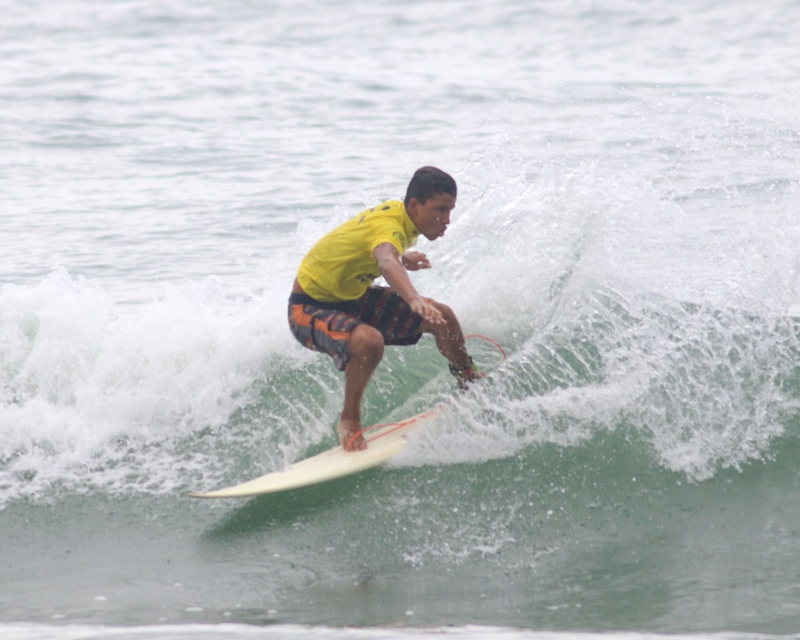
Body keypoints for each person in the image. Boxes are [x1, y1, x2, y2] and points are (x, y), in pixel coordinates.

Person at [288, 167, 481, 451]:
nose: (447, 220)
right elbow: (386, 262)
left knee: (444, 318)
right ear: (414, 205)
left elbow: (381, 246)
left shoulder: (399, 216)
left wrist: (404, 255)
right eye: (441, 209)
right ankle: (349, 420)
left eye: (450, 210)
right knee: (369, 342)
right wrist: (413, 298)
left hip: (353, 298)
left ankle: (470, 381)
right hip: (309, 308)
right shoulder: (389, 226)